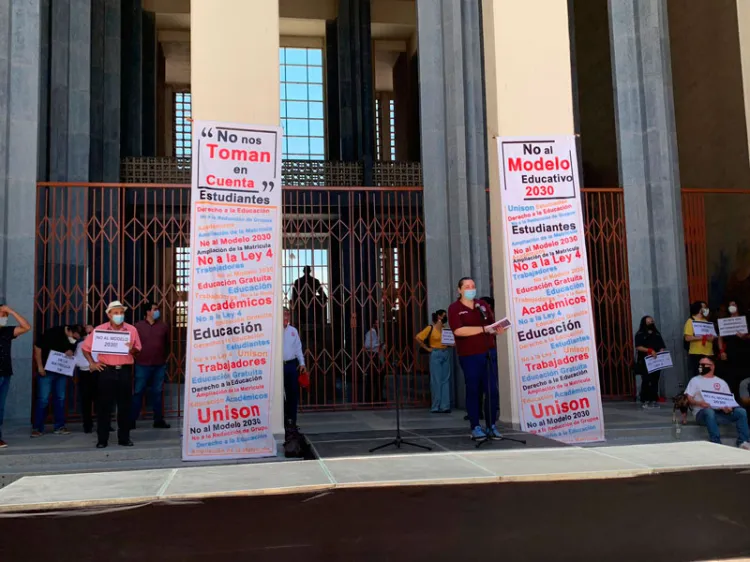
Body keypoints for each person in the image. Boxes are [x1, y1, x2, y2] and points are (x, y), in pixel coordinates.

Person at [448, 277, 507, 440]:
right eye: (466, 286)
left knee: (492, 391)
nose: (470, 289)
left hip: (489, 353)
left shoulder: (482, 305)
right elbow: (459, 331)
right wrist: (484, 329)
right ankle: (475, 426)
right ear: (459, 290)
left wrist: (497, 330)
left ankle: (491, 425)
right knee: (474, 390)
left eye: (473, 286)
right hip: (469, 356)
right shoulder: (455, 308)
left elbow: (491, 325)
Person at [81, 301, 142, 448]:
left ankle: (124, 438)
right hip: (106, 370)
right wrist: (92, 363)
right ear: (109, 314)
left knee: (125, 406)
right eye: (116, 313)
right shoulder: (100, 330)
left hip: (125, 371)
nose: (119, 315)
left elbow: (138, 351)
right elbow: (85, 348)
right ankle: (102, 439)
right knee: (104, 406)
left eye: (121, 312)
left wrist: (131, 349)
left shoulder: (131, 330)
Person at [685, 356, 750, 449]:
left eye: (703, 365)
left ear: (712, 366)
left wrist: (728, 408)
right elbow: (688, 398)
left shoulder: (721, 382)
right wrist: (699, 403)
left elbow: (728, 400)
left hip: (719, 413)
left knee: (741, 412)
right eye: (699, 365)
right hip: (702, 414)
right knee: (709, 411)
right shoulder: (695, 380)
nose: (700, 367)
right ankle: (716, 442)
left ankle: (743, 441)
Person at [32, 323, 84, 436]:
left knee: (60, 398)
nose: (74, 339)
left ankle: (59, 426)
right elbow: (37, 347)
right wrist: (40, 366)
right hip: (46, 370)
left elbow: (72, 350)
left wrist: (70, 351)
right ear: (69, 331)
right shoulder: (52, 333)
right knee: (43, 399)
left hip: (61, 371)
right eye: (74, 337)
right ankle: (37, 428)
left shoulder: (73, 339)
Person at [131, 301, 170, 429]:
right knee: (138, 392)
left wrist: (165, 359)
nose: (157, 311)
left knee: (158, 392)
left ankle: (158, 420)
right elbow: (132, 344)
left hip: (159, 365)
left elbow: (167, 344)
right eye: (155, 309)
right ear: (148, 312)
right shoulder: (137, 327)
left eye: (157, 309)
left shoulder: (163, 326)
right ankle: (132, 420)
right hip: (142, 364)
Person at [0, 304, 31, 448]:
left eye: (5, 315)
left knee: (0, 406)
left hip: (5, 373)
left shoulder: (6, 331)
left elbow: (26, 327)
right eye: (2, 314)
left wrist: (11, 311)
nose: (3, 318)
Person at [415, 309, 452, 413]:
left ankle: (445, 406)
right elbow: (418, 337)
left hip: (445, 353)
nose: (445, 317)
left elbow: (449, 341)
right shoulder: (430, 328)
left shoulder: (446, 329)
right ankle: (436, 405)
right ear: (439, 317)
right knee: (436, 380)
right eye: (444, 315)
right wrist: (427, 348)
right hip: (435, 353)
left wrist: (451, 343)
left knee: (445, 380)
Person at [718, 300, 750, 394]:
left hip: (745, 352)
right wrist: (721, 351)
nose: (731, 306)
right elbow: (720, 337)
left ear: (738, 305)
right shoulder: (725, 320)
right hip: (730, 353)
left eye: (733, 304)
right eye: (729, 305)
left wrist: (746, 336)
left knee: (744, 377)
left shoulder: (746, 319)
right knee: (731, 377)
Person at [634, 316, 666, 409]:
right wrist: (649, 350)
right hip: (645, 360)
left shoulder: (657, 334)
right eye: (648, 322)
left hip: (656, 361)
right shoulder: (640, 334)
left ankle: (654, 399)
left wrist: (661, 351)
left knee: (655, 380)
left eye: (651, 321)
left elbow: (661, 345)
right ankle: (645, 399)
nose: (650, 323)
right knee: (647, 379)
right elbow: (638, 346)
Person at [282, 308, 306, 429]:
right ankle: (282, 420)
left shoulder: (293, 331)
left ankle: (292, 420)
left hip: (291, 365)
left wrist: (302, 363)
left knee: (292, 393)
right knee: (279, 395)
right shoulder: (275, 331)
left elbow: (298, 348)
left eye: (287, 315)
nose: (286, 317)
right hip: (279, 366)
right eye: (284, 315)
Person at [74, 325, 100, 434]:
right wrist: (90, 364)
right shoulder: (80, 345)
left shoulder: (99, 344)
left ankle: (103, 424)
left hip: (98, 373)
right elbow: (77, 361)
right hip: (85, 373)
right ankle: (87, 425)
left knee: (101, 400)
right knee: (86, 400)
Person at [684, 301, 715, 378]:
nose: (706, 309)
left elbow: (712, 337)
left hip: (708, 353)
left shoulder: (706, 321)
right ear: (698, 308)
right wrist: (701, 337)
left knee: (708, 376)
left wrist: (711, 337)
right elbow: (687, 338)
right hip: (697, 354)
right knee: (699, 376)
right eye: (704, 307)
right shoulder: (690, 321)